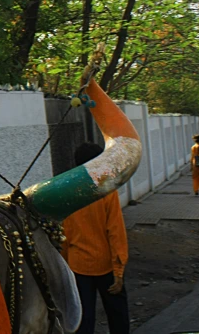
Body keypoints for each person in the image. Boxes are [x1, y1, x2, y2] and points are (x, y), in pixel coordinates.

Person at [62, 142, 130, 334]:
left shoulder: (67, 192)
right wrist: (119, 269)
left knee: (83, 320)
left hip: (77, 266)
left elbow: (63, 235)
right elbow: (115, 231)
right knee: (117, 316)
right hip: (106, 265)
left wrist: (66, 266)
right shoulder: (106, 190)